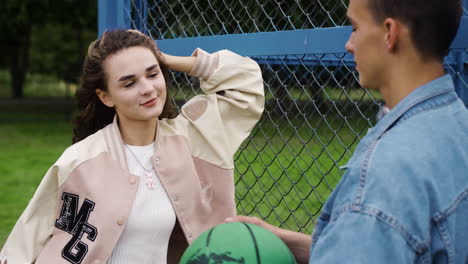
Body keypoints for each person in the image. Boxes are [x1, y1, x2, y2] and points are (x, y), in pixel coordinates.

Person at [226, 0, 468, 263]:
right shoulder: (455, 124)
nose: (348, 44)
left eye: (354, 27)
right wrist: (287, 242)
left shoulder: (385, 175)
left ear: (390, 33)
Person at [0, 30, 264, 263]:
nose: (148, 88)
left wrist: (167, 59)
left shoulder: (195, 139)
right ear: (105, 97)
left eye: (153, 74)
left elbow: (244, 82)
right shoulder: (81, 161)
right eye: (129, 83)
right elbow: (25, 240)